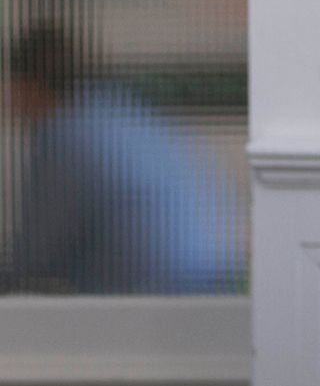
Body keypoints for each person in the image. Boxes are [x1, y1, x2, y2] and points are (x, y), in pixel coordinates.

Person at [1, 22, 237, 295]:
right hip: (215, 289)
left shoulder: (65, 134)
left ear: (27, 84)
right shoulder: (122, 112)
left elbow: (38, 253)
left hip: (147, 303)